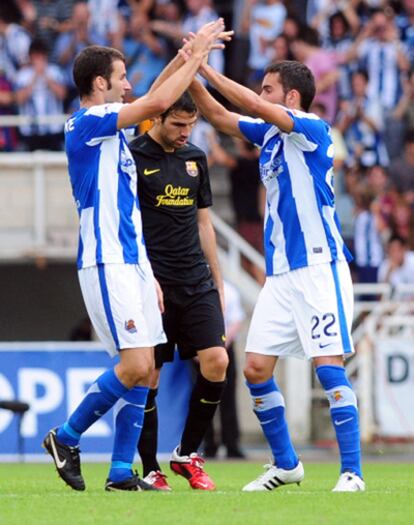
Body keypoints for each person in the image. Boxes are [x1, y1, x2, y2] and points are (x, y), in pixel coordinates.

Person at [42, 19, 229, 492]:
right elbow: (159, 101)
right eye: (122, 77)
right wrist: (199, 53)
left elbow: (156, 94)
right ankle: (65, 438)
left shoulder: (112, 129)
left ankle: (122, 472)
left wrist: (188, 57)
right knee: (132, 366)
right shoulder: (87, 123)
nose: (129, 85)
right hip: (106, 260)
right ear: (99, 83)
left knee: (146, 370)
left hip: (134, 261)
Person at [188, 59, 365, 492]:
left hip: (319, 267)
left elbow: (244, 102)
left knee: (328, 367)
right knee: (254, 368)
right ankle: (286, 464)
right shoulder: (269, 135)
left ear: (290, 97)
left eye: (268, 89)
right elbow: (217, 115)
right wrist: (187, 73)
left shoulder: (311, 127)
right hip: (281, 275)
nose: (260, 95)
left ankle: (352, 473)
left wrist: (208, 70)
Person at [128, 91, 228, 491]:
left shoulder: (195, 159)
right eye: (178, 125)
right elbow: (128, 224)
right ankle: (150, 467)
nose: (186, 132)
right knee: (148, 375)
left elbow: (204, 224)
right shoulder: (134, 157)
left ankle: (186, 454)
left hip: (196, 280)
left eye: (192, 125)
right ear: (157, 118)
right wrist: (143, 275)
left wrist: (218, 280)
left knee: (217, 361)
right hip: (154, 281)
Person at [202, 279, 246, 459]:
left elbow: (236, 321)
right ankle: (207, 444)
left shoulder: (228, 290)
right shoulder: (194, 288)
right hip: (200, 350)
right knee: (202, 399)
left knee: (228, 398)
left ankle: (232, 444)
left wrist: (218, 347)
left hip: (223, 347)